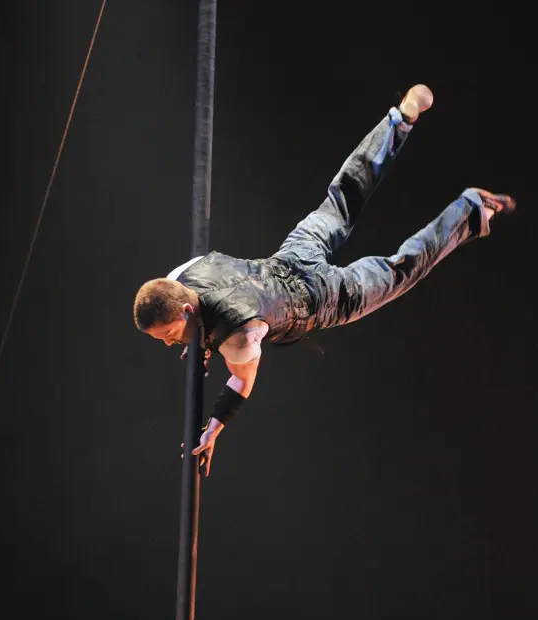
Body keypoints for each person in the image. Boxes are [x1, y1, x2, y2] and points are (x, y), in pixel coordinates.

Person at [133, 85, 515, 475]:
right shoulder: (181, 274)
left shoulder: (239, 335)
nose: (168, 343)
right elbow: (196, 310)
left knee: (400, 269)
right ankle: (400, 120)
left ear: (184, 308)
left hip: (325, 298)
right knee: (344, 195)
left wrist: (212, 429)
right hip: (294, 253)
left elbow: (241, 383)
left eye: (167, 333)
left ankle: (471, 210)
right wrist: (196, 337)